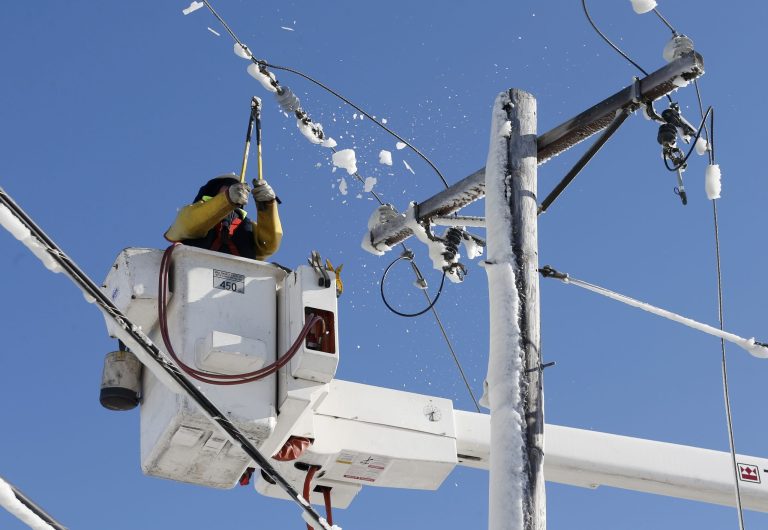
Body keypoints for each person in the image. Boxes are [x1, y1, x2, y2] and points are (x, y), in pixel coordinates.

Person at [164, 174, 282, 260]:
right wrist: (226, 199)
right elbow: (187, 225)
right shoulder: (191, 213)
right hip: (195, 275)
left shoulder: (247, 225)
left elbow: (269, 244)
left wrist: (268, 204)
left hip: (241, 285)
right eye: (228, 185)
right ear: (215, 189)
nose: (234, 188)